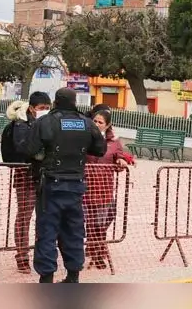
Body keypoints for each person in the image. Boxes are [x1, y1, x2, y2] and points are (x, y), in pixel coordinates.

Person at [25, 87, 106, 283]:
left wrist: (44, 155)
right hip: (76, 185)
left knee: (47, 232)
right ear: (74, 102)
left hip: (51, 186)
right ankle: (73, 276)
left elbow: (30, 150)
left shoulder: (45, 122)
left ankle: (47, 278)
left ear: (55, 101)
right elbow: (100, 149)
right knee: (74, 231)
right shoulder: (87, 123)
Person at [0, 92, 51, 273]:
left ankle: (41, 253)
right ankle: (22, 255)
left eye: (48, 108)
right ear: (31, 108)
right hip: (25, 175)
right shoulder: (21, 125)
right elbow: (23, 148)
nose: (45, 111)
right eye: (41, 108)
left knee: (44, 217)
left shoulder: (47, 123)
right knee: (24, 216)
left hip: (45, 176)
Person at [83, 109, 134, 270]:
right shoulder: (84, 138)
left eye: (101, 122)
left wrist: (121, 161)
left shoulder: (114, 142)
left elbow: (119, 157)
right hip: (86, 187)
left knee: (101, 222)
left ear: (108, 125)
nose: (97, 124)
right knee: (90, 222)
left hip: (104, 188)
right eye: (95, 121)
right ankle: (95, 251)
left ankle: (96, 250)